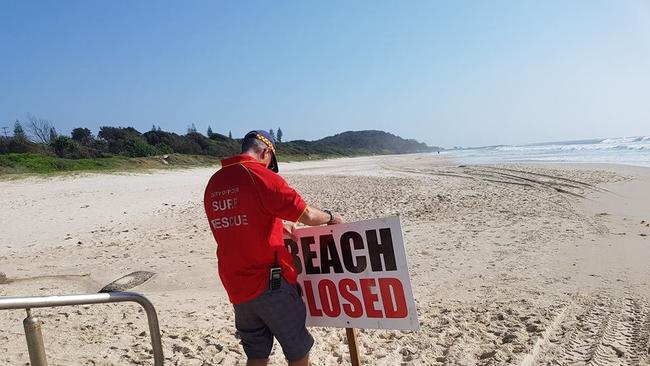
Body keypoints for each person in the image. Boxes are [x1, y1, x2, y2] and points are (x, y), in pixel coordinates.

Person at [203, 130, 343, 366]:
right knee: (298, 350)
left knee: (256, 354)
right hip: (270, 282)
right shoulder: (260, 176)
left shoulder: (215, 182)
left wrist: (277, 226)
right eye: (270, 160)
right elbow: (307, 215)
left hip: (236, 284)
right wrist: (331, 217)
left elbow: (241, 222)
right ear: (266, 152)